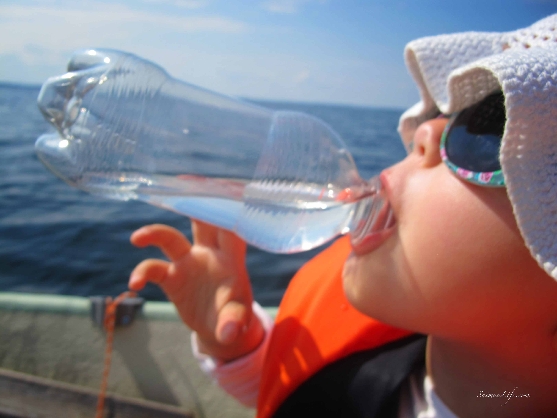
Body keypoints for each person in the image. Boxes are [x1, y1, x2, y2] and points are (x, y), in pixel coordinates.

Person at [128, 14, 557, 418]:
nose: (426, 130)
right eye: (439, 115)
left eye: (489, 126)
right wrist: (236, 348)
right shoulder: (391, 354)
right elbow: (309, 394)